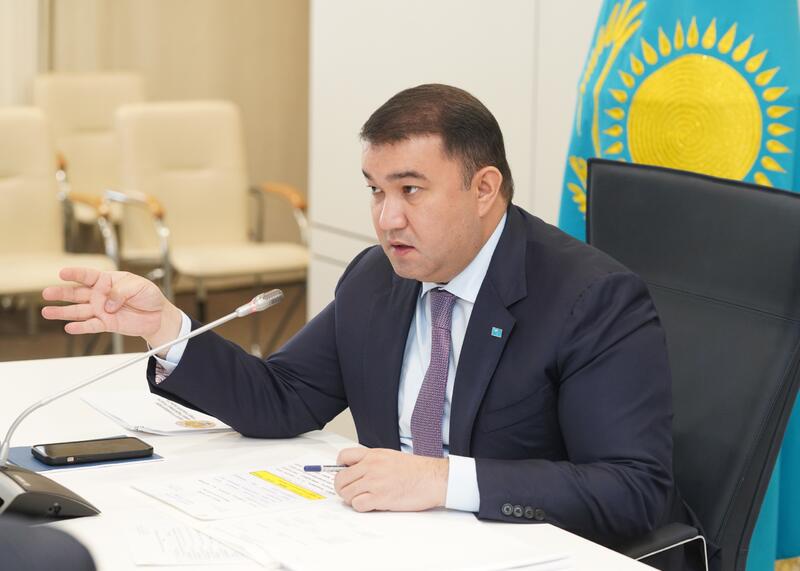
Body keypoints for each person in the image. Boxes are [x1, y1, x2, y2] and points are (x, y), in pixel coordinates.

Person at [42, 84, 691, 562]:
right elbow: (283, 398)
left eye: (411, 190)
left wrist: (441, 479)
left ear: (484, 188)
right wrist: (166, 326)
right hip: (386, 541)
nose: (387, 218)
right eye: (376, 190)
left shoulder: (591, 299)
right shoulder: (379, 276)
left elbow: (631, 490)